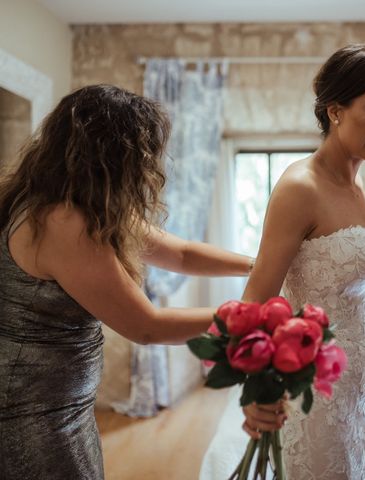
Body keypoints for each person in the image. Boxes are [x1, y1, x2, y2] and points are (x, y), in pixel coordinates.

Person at [0, 84, 284, 480]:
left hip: (58, 403)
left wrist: (263, 265)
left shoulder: (71, 204)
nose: (151, 165)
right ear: (115, 155)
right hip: (31, 412)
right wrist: (251, 315)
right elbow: (146, 326)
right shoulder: (64, 222)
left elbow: (181, 253)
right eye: (146, 153)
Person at [200, 44, 365, 480]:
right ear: (335, 110)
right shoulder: (300, 187)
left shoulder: (360, 190)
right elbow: (256, 301)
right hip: (316, 391)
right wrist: (256, 394)